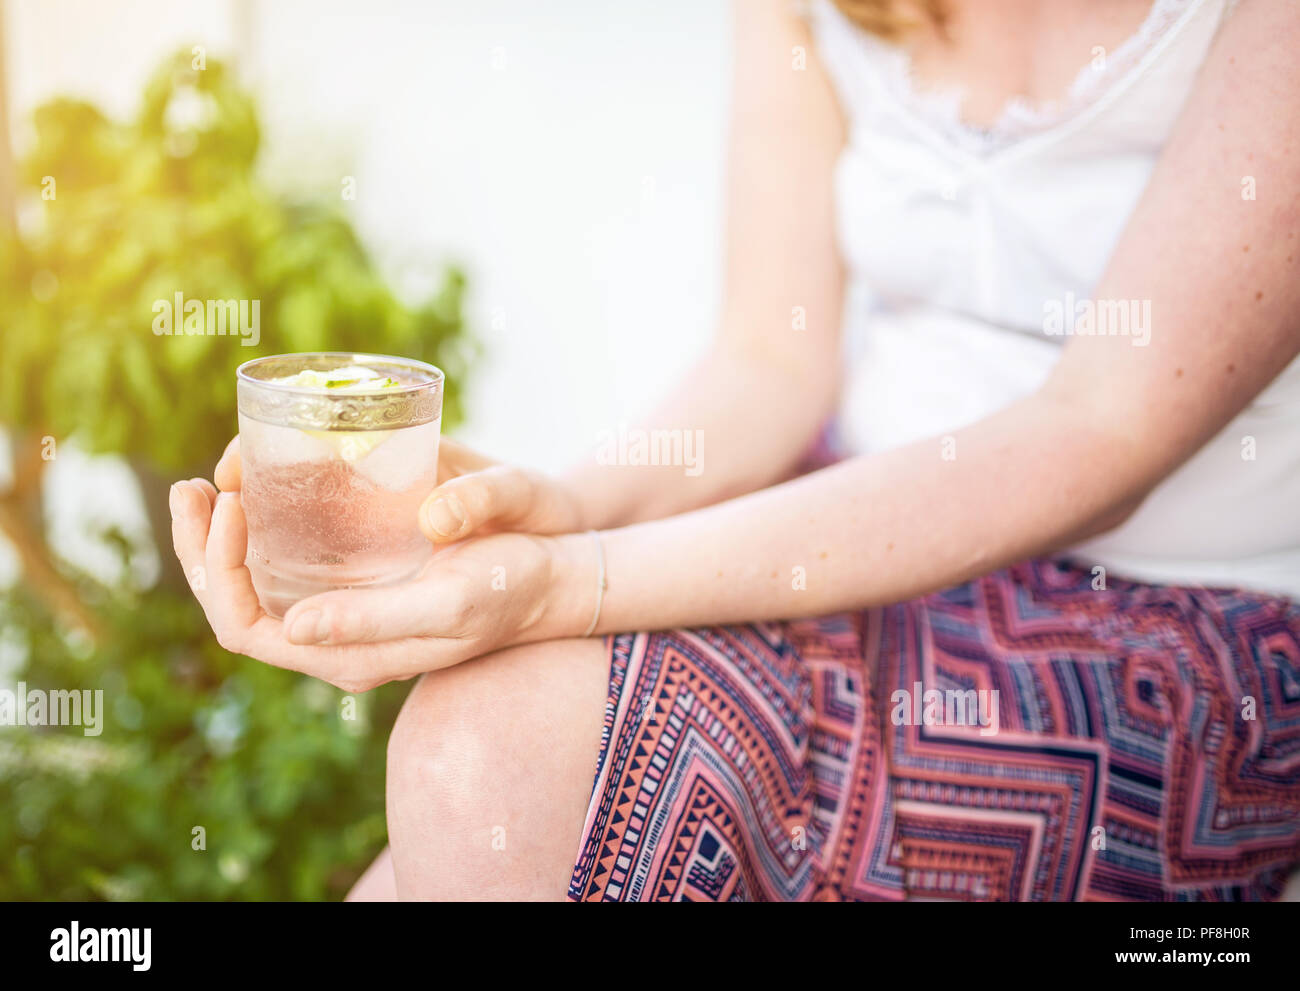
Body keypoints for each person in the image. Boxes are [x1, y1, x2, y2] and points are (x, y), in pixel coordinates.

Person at [168, 0, 1300, 901]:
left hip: (1187, 628)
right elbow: (767, 360)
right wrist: (554, 505)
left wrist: (577, 578)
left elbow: (1099, 428)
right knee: (472, 779)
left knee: (480, 757)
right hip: (850, 523)